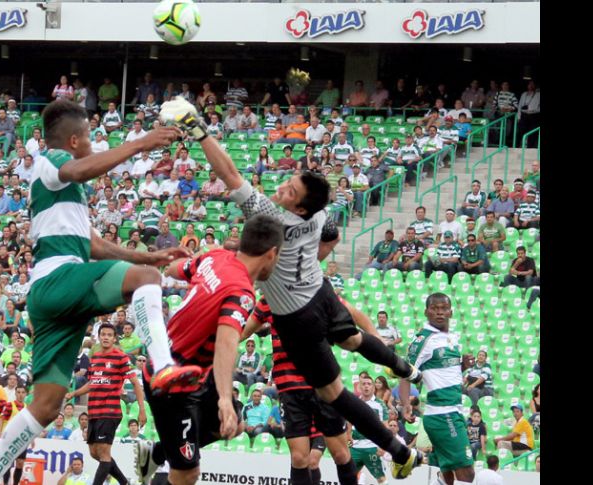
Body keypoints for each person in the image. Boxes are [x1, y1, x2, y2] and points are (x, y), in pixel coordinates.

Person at [159, 96, 424, 480]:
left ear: (299, 208)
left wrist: (199, 130)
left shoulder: (273, 217)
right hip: (321, 292)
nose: (281, 189)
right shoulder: (319, 213)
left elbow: (230, 174)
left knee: (334, 394)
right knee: (351, 340)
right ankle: (407, 369)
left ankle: (400, 452)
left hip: (298, 317)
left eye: (288, 191)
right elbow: (329, 233)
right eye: (286, 184)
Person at [0, 100, 201, 485]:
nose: (92, 144)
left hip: (50, 295)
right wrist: (140, 144)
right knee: (146, 282)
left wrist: (152, 256)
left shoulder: (65, 193)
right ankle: (163, 365)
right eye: (89, 137)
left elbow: (95, 246)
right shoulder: (52, 160)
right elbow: (77, 167)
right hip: (59, 280)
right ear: (74, 140)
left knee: (45, 405)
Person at [133, 215, 283, 485]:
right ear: (272, 254)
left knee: (234, 426)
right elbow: (226, 343)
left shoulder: (216, 257)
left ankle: (156, 453)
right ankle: (163, 456)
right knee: (187, 473)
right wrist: (225, 398)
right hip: (171, 381)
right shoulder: (242, 292)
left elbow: (173, 270)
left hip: (195, 372)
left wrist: (187, 263)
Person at [242, 296, 356, 485]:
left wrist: (372, 336)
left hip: (322, 385)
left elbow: (351, 314)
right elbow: (243, 332)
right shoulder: (268, 300)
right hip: (290, 388)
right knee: (299, 459)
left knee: (341, 454)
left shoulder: (316, 290)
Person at [400, 293, 475, 485]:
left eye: (443, 308)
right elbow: (404, 371)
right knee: (467, 474)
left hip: (452, 411)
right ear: (426, 311)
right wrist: (406, 404)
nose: (439, 312)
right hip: (443, 414)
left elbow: (443, 372)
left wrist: (462, 366)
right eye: (435, 308)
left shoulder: (452, 337)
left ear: (451, 311)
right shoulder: (423, 339)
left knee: (448, 474)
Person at [65, 323, 146, 485]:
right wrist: (74, 393)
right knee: (94, 453)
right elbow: (92, 383)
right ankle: (125, 482)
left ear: (114, 338)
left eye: (110, 335)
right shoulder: (94, 358)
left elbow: (136, 384)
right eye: (103, 334)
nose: (106, 337)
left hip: (110, 411)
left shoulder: (121, 357)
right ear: (99, 337)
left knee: (103, 454)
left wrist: (142, 410)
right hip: (94, 411)